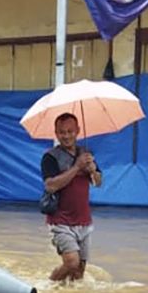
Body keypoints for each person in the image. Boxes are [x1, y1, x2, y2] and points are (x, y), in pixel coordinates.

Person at [41, 112, 101, 283]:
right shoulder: (50, 157)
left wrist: (93, 170)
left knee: (79, 271)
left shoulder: (87, 154)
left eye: (70, 131)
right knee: (71, 262)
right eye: (62, 132)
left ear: (78, 131)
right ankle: (49, 285)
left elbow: (98, 183)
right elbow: (50, 186)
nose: (66, 136)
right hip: (60, 220)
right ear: (56, 133)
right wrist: (76, 167)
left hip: (84, 220)